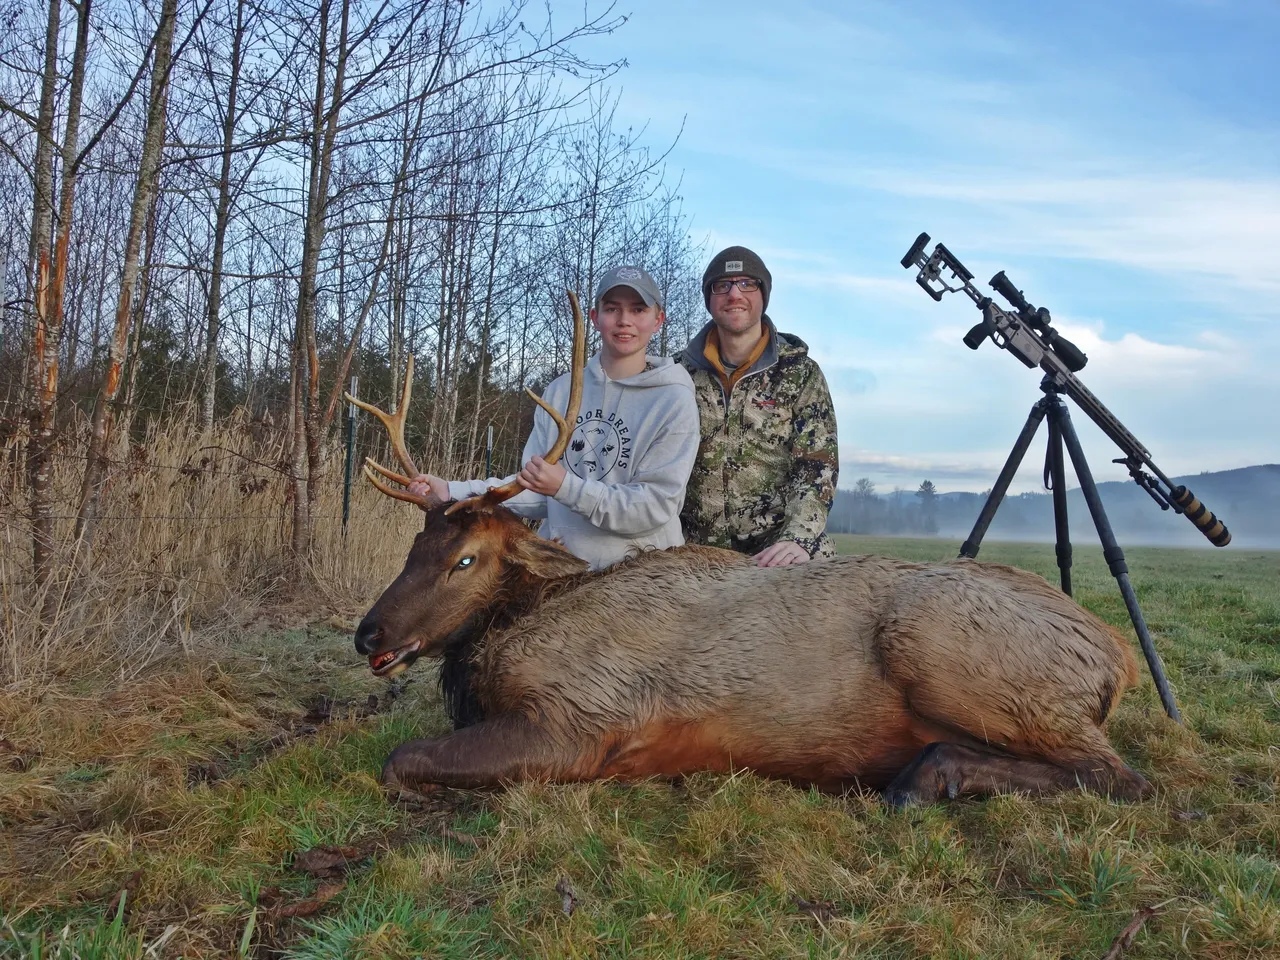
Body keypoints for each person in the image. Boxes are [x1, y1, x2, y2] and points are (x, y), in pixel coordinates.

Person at [408, 266, 700, 571]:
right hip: (564, 571)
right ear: (595, 317)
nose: (624, 320)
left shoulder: (673, 399)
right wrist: (452, 491)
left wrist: (566, 488)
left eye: (638, 309)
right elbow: (535, 489)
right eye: (612, 309)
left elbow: (654, 507)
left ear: (658, 320)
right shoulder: (561, 391)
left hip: (642, 575)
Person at [678, 245, 839, 566]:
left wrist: (798, 538)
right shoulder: (677, 375)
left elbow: (818, 466)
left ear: (763, 295)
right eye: (722, 285)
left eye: (746, 284)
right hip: (691, 546)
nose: (734, 293)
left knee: (824, 585)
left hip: (774, 545)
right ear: (709, 299)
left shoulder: (800, 374)